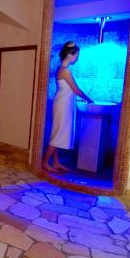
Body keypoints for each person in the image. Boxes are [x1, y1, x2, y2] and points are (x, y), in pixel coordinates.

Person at [42, 41, 93, 173]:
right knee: (58, 134)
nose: (77, 58)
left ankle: (56, 162)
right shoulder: (65, 71)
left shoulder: (61, 68)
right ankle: (45, 162)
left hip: (62, 103)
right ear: (70, 55)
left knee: (58, 132)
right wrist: (90, 100)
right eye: (76, 55)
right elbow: (76, 90)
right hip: (62, 105)